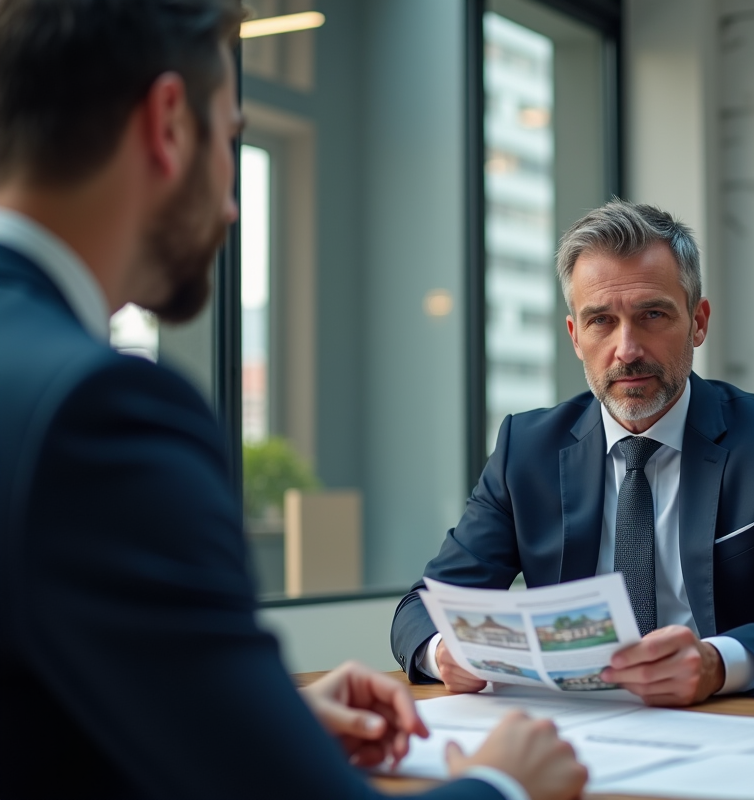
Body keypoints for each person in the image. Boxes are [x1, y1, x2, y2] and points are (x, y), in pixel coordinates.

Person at [0, 2, 587, 798]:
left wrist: (249, 721)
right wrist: (504, 784)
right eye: (230, 138)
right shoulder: (97, 411)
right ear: (169, 125)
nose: (232, 205)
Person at [392, 200, 754, 705]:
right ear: (575, 336)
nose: (627, 349)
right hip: (573, 721)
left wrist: (717, 664)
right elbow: (424, 606)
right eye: (601, 320)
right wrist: (443, 652)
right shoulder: (526, 449)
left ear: (698, 321)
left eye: (652, 315)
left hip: (725, 716)